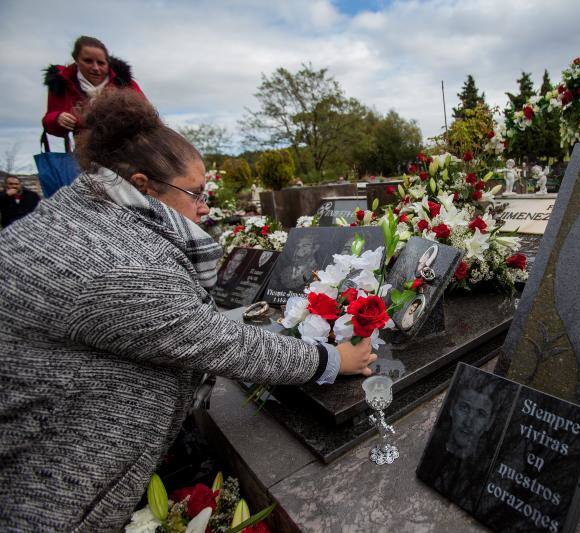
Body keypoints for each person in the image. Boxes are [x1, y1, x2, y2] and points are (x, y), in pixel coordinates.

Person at [0, 90, 377, 531]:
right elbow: (217, 342)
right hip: (46, 501)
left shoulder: (91, 214)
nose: (204, 207)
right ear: (143, 185)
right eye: (194, 193)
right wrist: (334, 359)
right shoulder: (115, 260)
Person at [42, 36, 145, 138]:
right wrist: (57, 119)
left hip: (129, 148)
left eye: (101, 63)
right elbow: (50, 122)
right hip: (87, 150)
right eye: (88, 61)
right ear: (76, 60)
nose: (95, 68)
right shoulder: (61, 83)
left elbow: (147, 115)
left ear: (108, 63)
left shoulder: (123, 82)